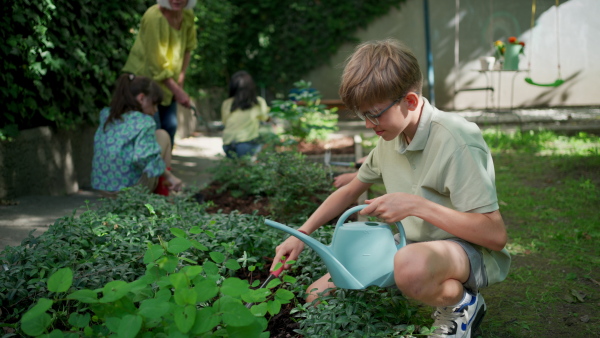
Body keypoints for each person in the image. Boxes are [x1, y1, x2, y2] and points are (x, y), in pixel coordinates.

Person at [271, 39, 511, 337]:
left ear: (409, 101)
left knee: (409, 266)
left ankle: (462, 303)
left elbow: (495, 236)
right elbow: (349, 192)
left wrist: (415, 205)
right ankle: (411, 279)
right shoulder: (391, 138)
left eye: (374, 114)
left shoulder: (456, 139)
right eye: (363, 115)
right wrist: (301, 235)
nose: (369, 125)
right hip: (408, 248)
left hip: (466, 252)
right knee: (316, 296)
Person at [92, 74, 183, 198]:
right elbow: (143, 157)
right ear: (141, 98)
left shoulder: (106, 115)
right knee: (163, 135)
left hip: (103, 188)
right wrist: (170, 177)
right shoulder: (145, 122)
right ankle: (163, 196)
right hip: (131, 189)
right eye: (154, 104)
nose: (155, 110)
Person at [122, 0, 198, 148]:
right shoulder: (153, 17)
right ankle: (154, 170)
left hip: (168, 86)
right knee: (152, 133)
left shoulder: (187, 15)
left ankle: (163, 169)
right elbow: (156, 63)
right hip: (144, 85)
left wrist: (180, 83)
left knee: (169, 128)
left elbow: (188, 48)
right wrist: (177, 90)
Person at [221, 71, 270, 158]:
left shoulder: (226, 103)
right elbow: (265, 118)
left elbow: (225, 122)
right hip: (247, 144)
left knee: (235, 168)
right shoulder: (258, 102)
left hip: (228, 144)